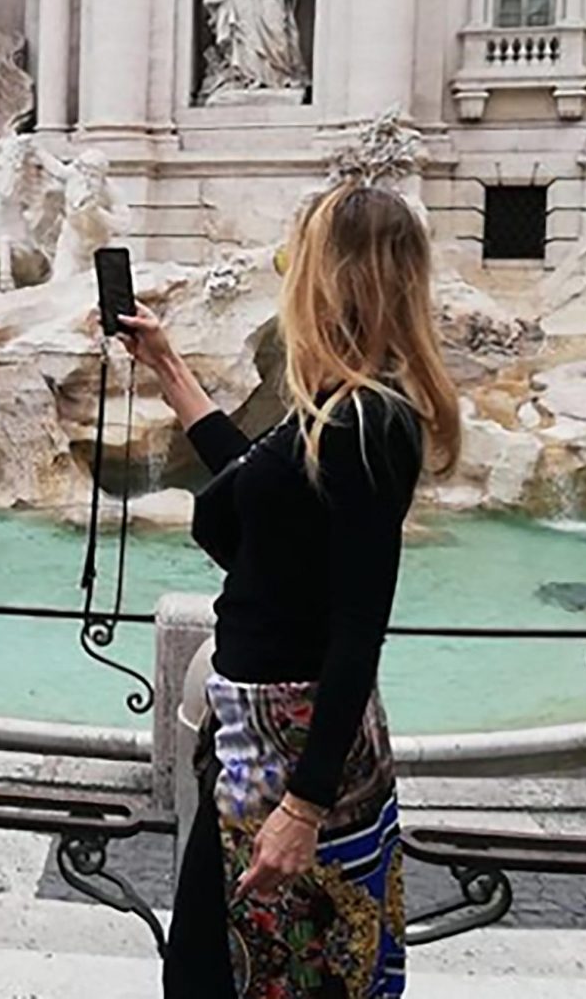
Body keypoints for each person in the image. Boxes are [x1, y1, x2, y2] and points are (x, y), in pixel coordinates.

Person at [120, 181, 460, 998]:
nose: (284, 274)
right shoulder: (333, 404)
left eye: (292, 257)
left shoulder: (368, 420)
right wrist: (167, 366)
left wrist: (303, 807)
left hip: (291, 764)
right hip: (251, 745)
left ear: (330, 276)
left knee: (264, 980)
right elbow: (259, 493)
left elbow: (358, 626)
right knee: (216, 972)